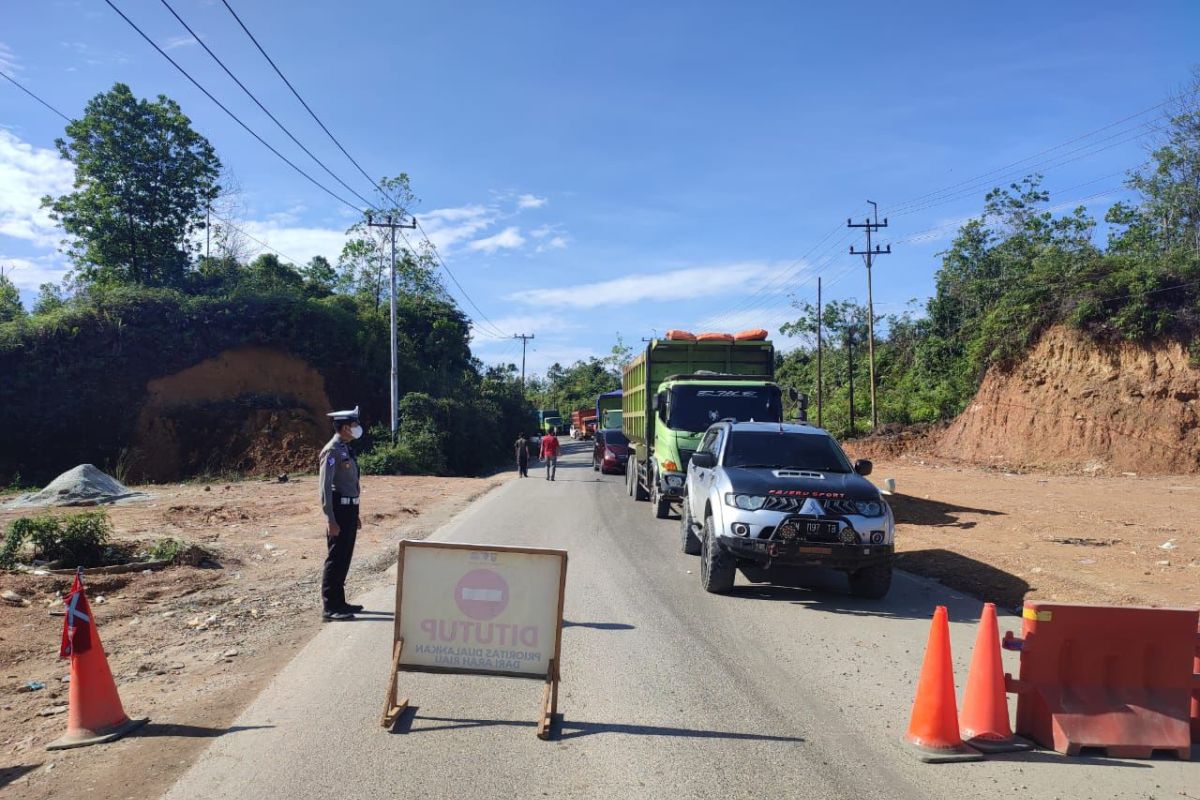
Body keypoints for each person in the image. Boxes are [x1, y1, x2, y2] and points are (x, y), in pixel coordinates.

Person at [319, 406, 363, 622]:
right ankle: (329, 607)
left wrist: (356, 514)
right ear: (345, 427)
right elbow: (325, 488)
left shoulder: (345, 448)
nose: (357, 428)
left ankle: (340, 602)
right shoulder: (332, 451)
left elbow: (352, 484)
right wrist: (330, 518)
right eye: (354, 425)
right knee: (335, 558)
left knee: (345, 557)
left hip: (349, 509)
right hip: (338, 510)